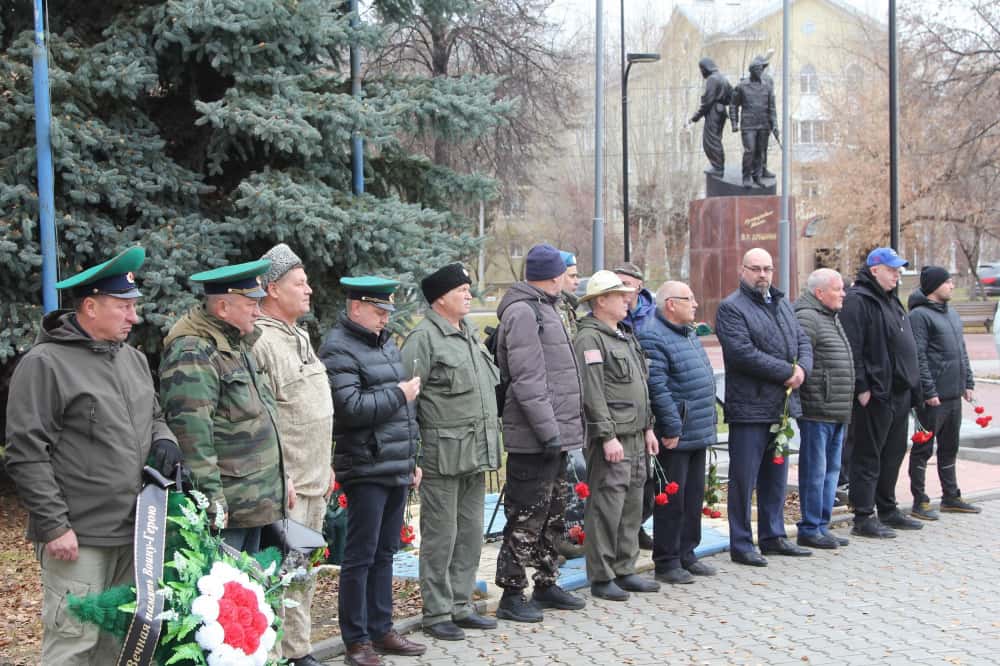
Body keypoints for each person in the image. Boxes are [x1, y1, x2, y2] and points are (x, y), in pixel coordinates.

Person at [5, 247, 181, 664]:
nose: (134, 317)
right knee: (73, 644)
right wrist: (54, 526)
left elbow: (154, 417)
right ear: (90, 306)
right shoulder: (46, 363)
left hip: (134, 532)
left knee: (118, 644)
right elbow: (26, 453)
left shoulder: (132, 359)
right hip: (79, 536)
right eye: (124, 306)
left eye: (134, 306)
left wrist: (165, 440)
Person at [319, 276, 425, 666]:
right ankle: (356, 641)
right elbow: (351, 408)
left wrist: (412, 460)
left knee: (385, 552)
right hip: (365, 466)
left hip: (394, 463)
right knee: (360, 556)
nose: (385, 318)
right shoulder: (338, 348)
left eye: (387, 311)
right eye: (379, 311)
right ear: (356, 308)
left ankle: (382, 629)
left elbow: (404, 415)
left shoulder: (385, 343)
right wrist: (399, 393)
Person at [401, 263, 502, 641]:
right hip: (441, 457)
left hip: (474, 453)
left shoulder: (468, 333)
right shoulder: (423, 339)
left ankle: (461, 604)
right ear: (440, 298)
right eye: (461, 289)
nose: (469, 295)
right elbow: (406, 404)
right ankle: (437, 612)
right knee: (440, 537)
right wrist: (412, 457)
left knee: (470, 534)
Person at [160, 259, 287, 554]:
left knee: (252, 581)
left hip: (253, 502)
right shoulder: (193, 352)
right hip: (227, 510)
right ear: (222, 308)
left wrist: (283, 481)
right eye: (251, 304)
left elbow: (262, 415)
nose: (258, 311)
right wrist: (211, 502)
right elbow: (193, 439)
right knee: (222, 581)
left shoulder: (234, 342)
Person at [494, 243, 587, 623]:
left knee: (553, 516)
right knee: (526, 519)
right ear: (554, 276)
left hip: (555, 435)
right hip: (534, 439)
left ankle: (546, 583)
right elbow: (528, 380)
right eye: (565, 274)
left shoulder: (547, 307)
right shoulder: (523, 312)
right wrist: (549, 432)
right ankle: (511, 593)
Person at [252, 244, 335, 666]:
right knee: (280, 576)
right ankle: (277, 655)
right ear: (272, 289)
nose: (309, 290)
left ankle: (299, 650)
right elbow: (262, 416)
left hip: (314, 478)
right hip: (288, 485)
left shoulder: (297, 334)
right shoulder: (261, 340)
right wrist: (278, 472)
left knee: (304, 572)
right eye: (299, 284)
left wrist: (327, 463)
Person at [715, 248, 813, 566]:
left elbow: (802, 340)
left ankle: (774, 536)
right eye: (756, 268)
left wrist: (803, 369)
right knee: (744, 480)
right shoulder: (731, 308)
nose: (762, 275)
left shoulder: (782, 303)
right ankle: (742, 543)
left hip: (780, 407)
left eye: (767, 268)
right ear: (742, 270)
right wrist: (787, 372)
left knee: (776, 476)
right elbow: (742, 353)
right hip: (749, 407)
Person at [573, 271, 661, 601]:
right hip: (614, 438)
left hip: (635, 434)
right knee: (607, 507)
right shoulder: (590, 339)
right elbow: (592, 393)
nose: (627, 299)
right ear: (600, 301)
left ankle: (625, 568)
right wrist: (606, 435)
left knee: (632, 505)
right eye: (619, 295)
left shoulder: (623, 335)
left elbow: (640, 387)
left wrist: (648, 427)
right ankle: (602, 575)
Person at [838, 247, 923, 538]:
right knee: (867, 455)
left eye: (899, 270)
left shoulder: (890, 300)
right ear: (875, 270)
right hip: (875, 393)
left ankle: (887, 508)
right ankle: (863, 516)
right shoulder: (858, 300)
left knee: (893, 453)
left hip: (898, 392)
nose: (897, 275)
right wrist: (862, 387)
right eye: (892, 270)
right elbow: (852, 346)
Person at [639, 281, 718, 584]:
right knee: (672, 499)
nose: (695, 304)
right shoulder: (653, 336)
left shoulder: (688, 333)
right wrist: (672, 426)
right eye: (689, 299)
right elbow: (657, 387)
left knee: (692, 497)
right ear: (671, 304)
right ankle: (667, 560)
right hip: (676, 433)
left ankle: (687, 552)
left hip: (696, 428)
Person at [907, 266, 982, 518]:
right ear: (934, 286)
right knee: (923, 449)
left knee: (950, 447)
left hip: (953, 395)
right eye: (947, 281)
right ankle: (920, 501)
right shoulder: (919, 316)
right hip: (932, 398)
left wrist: (968, 383)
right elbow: (919, 356)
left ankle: (951, 496)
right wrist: (928, 391)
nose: (952, 285)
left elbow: (961, 351)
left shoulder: (951, 314)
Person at [793, 269, 854, 549]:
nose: (843, 294)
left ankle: (821, 525)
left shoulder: (830, 316)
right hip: (817, 410)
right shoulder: (808, 317)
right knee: (816, 473)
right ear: (819, 293)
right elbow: (801, 361)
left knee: (831, 471)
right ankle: (810, 527)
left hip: (836, 409)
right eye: (837, 289)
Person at [611, 262, 657, 549]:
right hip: (623, 407)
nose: (623, 290)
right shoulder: (607, 316)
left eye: (627, 284)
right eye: (617, 284)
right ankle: (626, 531)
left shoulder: (655, 315)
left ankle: (639, 523)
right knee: (624, 477)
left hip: (651, 400)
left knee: (649, 476)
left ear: (639, 286)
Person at [730, 56, 778, 188]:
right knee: (750, 150)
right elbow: (733, 105)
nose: (760, 71)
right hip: (748, 125)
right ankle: (746, 176)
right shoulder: (742, 86)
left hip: (763, 124)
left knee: (760, 151)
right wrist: (734, 122)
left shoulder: (767, 87)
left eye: (761, 69)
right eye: (758, 69)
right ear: (752, 70)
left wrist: (775, 125)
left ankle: (757, 176)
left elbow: (772, 108)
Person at [689, 57, 733, 176]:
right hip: (721, 112)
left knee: (710, 141)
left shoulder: (712, 79)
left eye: (701, 69)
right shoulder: (722, 77)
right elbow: (731, 96)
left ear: (706, 68)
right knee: (716, 140)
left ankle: (718, 167)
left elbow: (707, 101)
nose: (701, 72)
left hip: (714, 112)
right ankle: (718, 166)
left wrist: (696, 116)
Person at [559, 250, 582, 337]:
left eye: (577, 276)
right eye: (572, 276)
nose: (577, 282)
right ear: (557, 277)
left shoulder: (566, 305)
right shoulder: (550, 307)